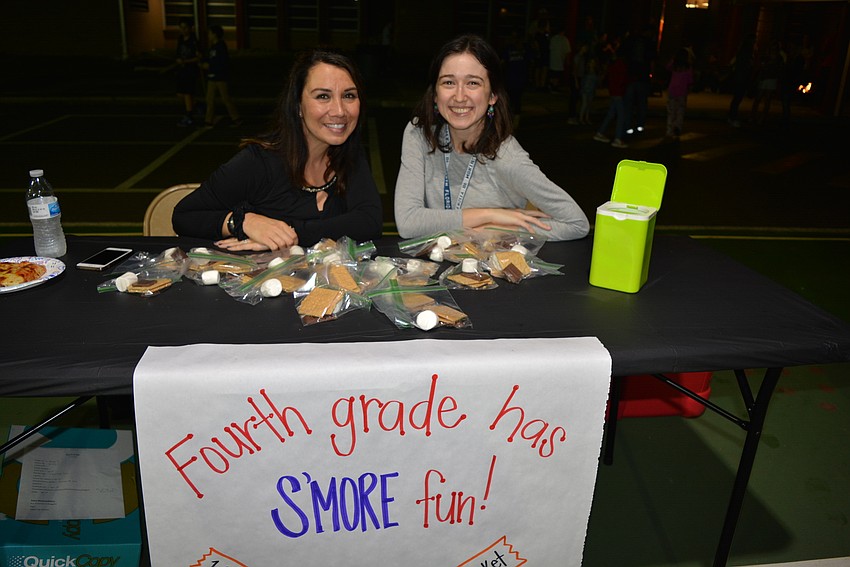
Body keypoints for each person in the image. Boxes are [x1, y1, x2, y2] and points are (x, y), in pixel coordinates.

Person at [172, 48, 383, 250]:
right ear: (298, 105)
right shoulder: (258, 162)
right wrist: (243, 222)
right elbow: (184, 216)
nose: (339, 111)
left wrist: (289, 234)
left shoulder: (349, 153)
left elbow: (368, 222)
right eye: (322, 96)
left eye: (349, 96)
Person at [393, 34, 589, 242]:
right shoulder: (419, 134)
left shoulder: (507, 158)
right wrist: (488, 215)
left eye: (473, 83)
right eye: (449, 82)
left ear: (493, 95)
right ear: (435, 94)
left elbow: (576, 224)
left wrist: (497, 230)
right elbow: (407, 223)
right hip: (435, 267)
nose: (459, 96)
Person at [201, 25, 242, 128]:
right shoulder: (212, 47)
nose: (209, 36)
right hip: (212, 77)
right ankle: (208, 120)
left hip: (220, 77)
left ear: (215, 34)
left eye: (210, 33)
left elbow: (222, 62)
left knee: (225, 98)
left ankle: (236, 118)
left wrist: (210, 66)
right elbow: (210, 59)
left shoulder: (221, 46)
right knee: (209, 99)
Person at [593, 46, 629, 149]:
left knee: (611, 113)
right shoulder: (622, 65)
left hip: (613, 91)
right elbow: (623, 80)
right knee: (621, 115)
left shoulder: (613, 64)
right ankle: (617, 138)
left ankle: (600, 132)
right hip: (618, 92)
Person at [175, 17, 201, 127]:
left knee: (187, 93)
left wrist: (186, 61)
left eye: (185, 28)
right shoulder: (180, 39)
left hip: (190, 70)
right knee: (180, 94)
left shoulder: (194, 41)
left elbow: (199, 57)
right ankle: (198, 106)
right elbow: (178, 53)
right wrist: (178, 60)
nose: (183, 30)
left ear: (190, 28)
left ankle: (189, 116)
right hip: (181, 69)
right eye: (181, 28)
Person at [665, 47, 694, 140]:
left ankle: (669, 130)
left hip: (672, 90)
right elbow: (690, 80)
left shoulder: (674, 65)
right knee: (680, 111)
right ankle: (677, 127)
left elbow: (667, 67)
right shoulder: (688, 67)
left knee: (671, 111)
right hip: (682, 91)